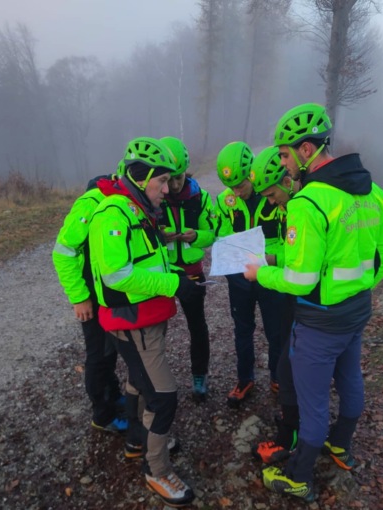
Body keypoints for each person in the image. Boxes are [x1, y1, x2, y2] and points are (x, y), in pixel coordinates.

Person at [244, 103, 383, 502]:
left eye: (283, 154)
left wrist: (261, 273)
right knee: (350, 379)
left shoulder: (308, 202)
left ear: (306, 150)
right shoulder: (373, 192)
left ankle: (299, 476)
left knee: (312, 404)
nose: (282, 162)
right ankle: (341, 446)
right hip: (356, 312)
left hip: (319, 321)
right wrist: (354, 289)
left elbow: (301, 279)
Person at [89, 136, 201, 507]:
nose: (167, 189)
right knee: (163, 397)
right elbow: (116, 275)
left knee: (139, 382)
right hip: (132, 321)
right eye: (162, 181)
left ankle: (140, 438)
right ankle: (157, 469)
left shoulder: (138, 209)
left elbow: (149, 259)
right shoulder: (114, 214)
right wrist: (173, 285)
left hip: (146, 316)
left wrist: (178, 275)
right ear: (141, 178)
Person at [52, 173, 127, 434]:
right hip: (91, 297)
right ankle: (102, 416)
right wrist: (79, 297)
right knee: (99, 354)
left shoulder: (115, 199)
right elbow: (62, 253)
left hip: (105, 295)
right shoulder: (91, 202)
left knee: (110, 350)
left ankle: (113, 395)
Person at [215, 141, 286, 408]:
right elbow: (222, 235)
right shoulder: (225, 200)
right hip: (239, 276)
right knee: (242, 329)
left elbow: (286, 241)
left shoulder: (273, 195)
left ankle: (278, 376)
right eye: (230, 187)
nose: (236, 192)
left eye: (241, 185)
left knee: (276, 330)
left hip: (269, 274)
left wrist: (268, 260)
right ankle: (245, 378)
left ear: (251, 173)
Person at [246, 146, 302, 464]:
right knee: (291, 364)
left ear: (286, 181)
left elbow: (300, 269)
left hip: (308, 302)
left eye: (270, 194)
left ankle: (291, 440)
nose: (268, 202)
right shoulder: (296, 203)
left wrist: (265, 269)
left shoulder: (303, 207)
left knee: (290, 368)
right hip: (322, 302)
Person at [159, 136, 216, 402]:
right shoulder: (154, 197)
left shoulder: (199, 197)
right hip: (163, 272)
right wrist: (160, 236)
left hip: (192, 270)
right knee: (156, 328)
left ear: (186, 172)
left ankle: (199, 375)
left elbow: (212, 233)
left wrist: (196, 236)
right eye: (168, 179)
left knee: (197, 325)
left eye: (178, 178)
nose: (173, 186)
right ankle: (156, 380)